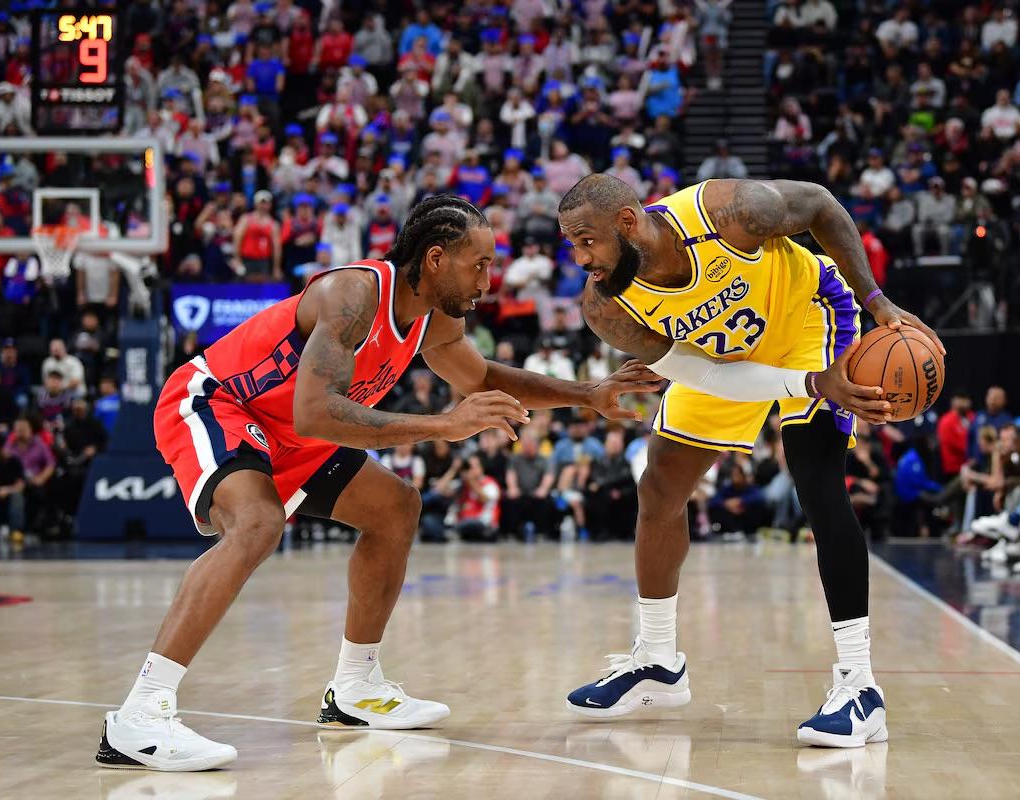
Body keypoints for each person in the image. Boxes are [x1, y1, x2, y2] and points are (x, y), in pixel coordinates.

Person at [98, 195, 661, 772]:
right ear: (436, 258)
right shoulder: (351, 295)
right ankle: (140, 714)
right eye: (479, 264)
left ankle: (355, 688)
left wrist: (587, 394)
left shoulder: (436, 318)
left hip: (291, 432)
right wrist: (442, 425)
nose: (487, 282)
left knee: (395, 508)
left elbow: (481, 377)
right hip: (220, 403)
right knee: (258, 524)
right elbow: (317, 413)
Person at [557, 173, 942, 745]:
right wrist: (806, 384)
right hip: (724, 360)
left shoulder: (730, 213)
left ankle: (860, 686)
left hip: (808, 317)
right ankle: (659, 661)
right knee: (659, 488)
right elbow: (710, 377)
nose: (581, 259)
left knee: (817, 483)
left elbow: (821, 206)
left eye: (587, 241)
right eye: (572, 246)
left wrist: (876, 300)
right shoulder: (605, 307)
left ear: (628, 223)